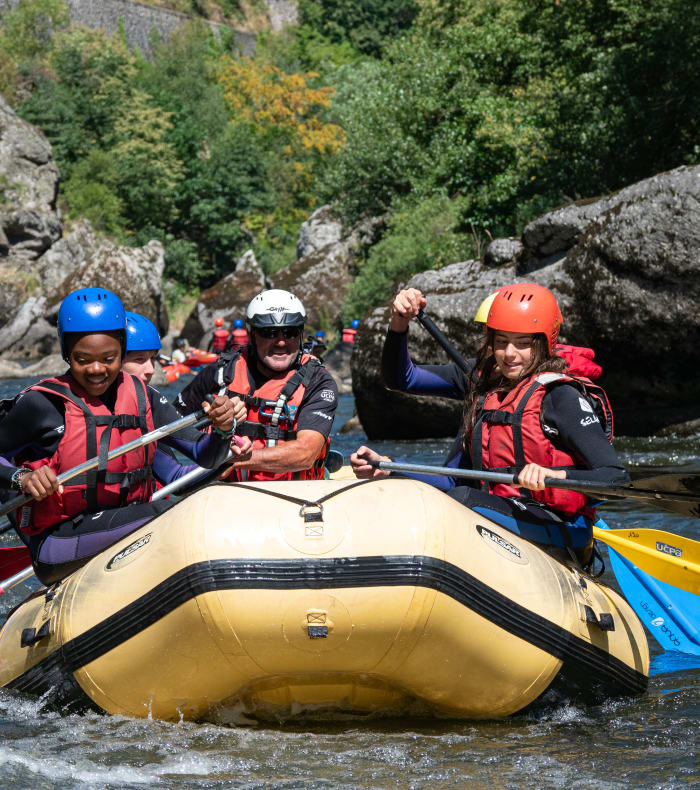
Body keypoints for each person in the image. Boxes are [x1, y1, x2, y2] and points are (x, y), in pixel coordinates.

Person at [351, 284, 628, 566]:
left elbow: (616, 478)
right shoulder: (483, 382)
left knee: (461, 500)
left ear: (544, 343)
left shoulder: (560, 397)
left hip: (556, 526)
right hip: (494, 511)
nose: (509, 354)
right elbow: (401, 379)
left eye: (523, 343)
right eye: (501, 341)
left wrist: (555, 474)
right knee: (431, 493)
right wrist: (390, 466)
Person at [0, 288, 248, 585]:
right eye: (82, 359)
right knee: (172, 514)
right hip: (60, 541)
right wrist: (22, 478)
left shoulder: (143, 396)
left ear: (121, 350)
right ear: (67, 353)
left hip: (126, 524)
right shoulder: (42, 404)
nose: (96, 369)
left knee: (191, 509)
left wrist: (222, 430)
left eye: (109, 358)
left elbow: (205, 456)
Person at [174, 289, 338, 481]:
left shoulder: (318, 382)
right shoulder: (221, 372)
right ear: (252, 334)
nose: (281, 342)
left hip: (294, 497)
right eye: (269, 333)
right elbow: (169, 426)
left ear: (300, 334)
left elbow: (305, 453)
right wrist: (213, 429)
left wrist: (232, 459)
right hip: (226, 495)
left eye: (290, 332)